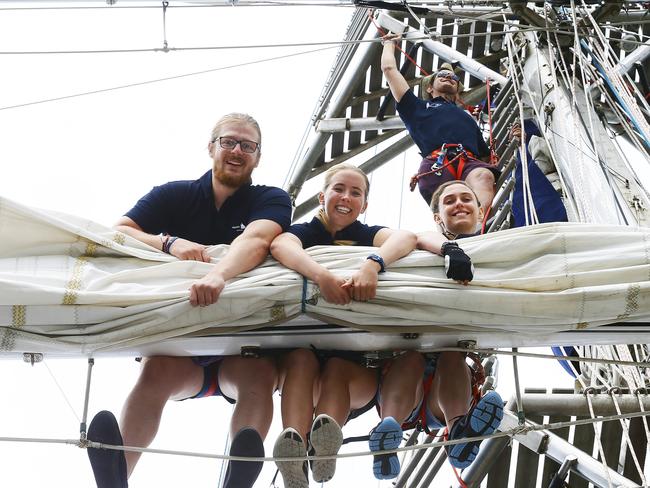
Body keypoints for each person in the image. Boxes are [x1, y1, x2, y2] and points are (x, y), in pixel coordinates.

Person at [86, 113, 293, 488]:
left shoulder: (271, 199)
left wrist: (218, 275)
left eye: (248, 146)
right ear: (211, 146)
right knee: (155, 370)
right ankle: (116, 477)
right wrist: (169, 242)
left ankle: (238, 479)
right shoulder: (173, 194)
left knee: (260, 372)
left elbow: (258, 240)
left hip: (240, 344)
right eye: (229, 141)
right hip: (181, 349)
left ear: (258, 158)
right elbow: (120, 232)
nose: (237, 151)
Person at [269, 163, 418, 487]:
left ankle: (324, 448)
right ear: (322, 196)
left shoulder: (366, 236)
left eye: (356, 193)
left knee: (336, 366)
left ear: (364, 205)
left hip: (354, 376)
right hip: (304, 372)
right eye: (338, 189)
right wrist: (322, 276)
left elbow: (406, 237)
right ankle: (293, 446)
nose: (345, 197)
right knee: (299, 358)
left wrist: (372, 264)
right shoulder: (308, 233)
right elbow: (281, 246)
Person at [381, 33, 500, 210]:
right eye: (441, 75)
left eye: (454, 78)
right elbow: (389, 70)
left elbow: (484, 156)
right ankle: (451, 231)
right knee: (446, 200)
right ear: (429, 87)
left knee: (484, 176)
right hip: (436, 163)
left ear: (458, 92)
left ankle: (477, 222)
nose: (449, 77)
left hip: (469, 160)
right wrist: (389, 44)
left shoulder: (467, 119)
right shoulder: (416, 107)